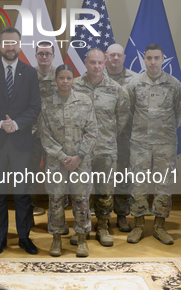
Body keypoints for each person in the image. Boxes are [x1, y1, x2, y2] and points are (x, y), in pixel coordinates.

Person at [0, 27, 41, 255]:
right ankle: (0, 237)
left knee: (23, 193)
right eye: (6, 43)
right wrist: (0, 123)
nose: (10, 47)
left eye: (14, 43)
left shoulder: (30, 72)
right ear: (0, 45)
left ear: (20, 45)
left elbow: (35, 107)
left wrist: (17, 123)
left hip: (21, 142)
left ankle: (24, 237)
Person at [126, 43, 181, 245]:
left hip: (165, 144)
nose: (153, 62)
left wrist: (162, 129)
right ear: (144, 59)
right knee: (138, 185)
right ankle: (138, 226)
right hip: (140, 144)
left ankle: (160, 227)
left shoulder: (174, 85)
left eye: (156, 58)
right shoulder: (134, 84)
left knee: (163, 186)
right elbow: (129, 111)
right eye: (149, 58)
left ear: (162, 59)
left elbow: (180, 114)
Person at [72, 48, 129, 247]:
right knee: (81, 192)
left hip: (106, 148)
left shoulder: (116, 89)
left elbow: (122, 119)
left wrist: (107, 135)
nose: (96, 66)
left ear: (104, 63)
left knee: (105, 190)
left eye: (99, 63)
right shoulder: (74, 86)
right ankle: (82, 227)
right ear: (85, 63)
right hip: (80, 151)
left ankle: (103, 226)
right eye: (92, 62)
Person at [41, 64, 97, 257]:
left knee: (81, 201)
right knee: (55, 201)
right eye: (61, 78)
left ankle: (81, 239)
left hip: (80, 162)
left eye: (69, 78)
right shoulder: (47, 103)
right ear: (55, 80)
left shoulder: (85, 101)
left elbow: (92, 132)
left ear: (74, 80)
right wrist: (64, 157)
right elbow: (45, 135)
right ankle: (56, 240)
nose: (65, 82)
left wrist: (79, 156)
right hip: (57, 163)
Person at [105, 43, 137, 232]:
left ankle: (122, 215)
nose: (115, 58)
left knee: (123, 175)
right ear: (106, 57)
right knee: (101, 176)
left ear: (124, 58)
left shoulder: (134, 79)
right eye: (112, 55)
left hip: (126, 136)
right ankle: (102, 215)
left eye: (119, 55)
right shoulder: (97, 76)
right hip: (102, 136)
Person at [30, 41, 58, 217]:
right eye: (41, 54)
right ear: (36, 56)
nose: (44, 57)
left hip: (55, 134)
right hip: (31, 133)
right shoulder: (27, 75)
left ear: (53, 56)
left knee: (54, 171)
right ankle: (31, 205)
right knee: (30, 170)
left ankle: (56, 207)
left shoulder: (60, 75)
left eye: (48, 54)